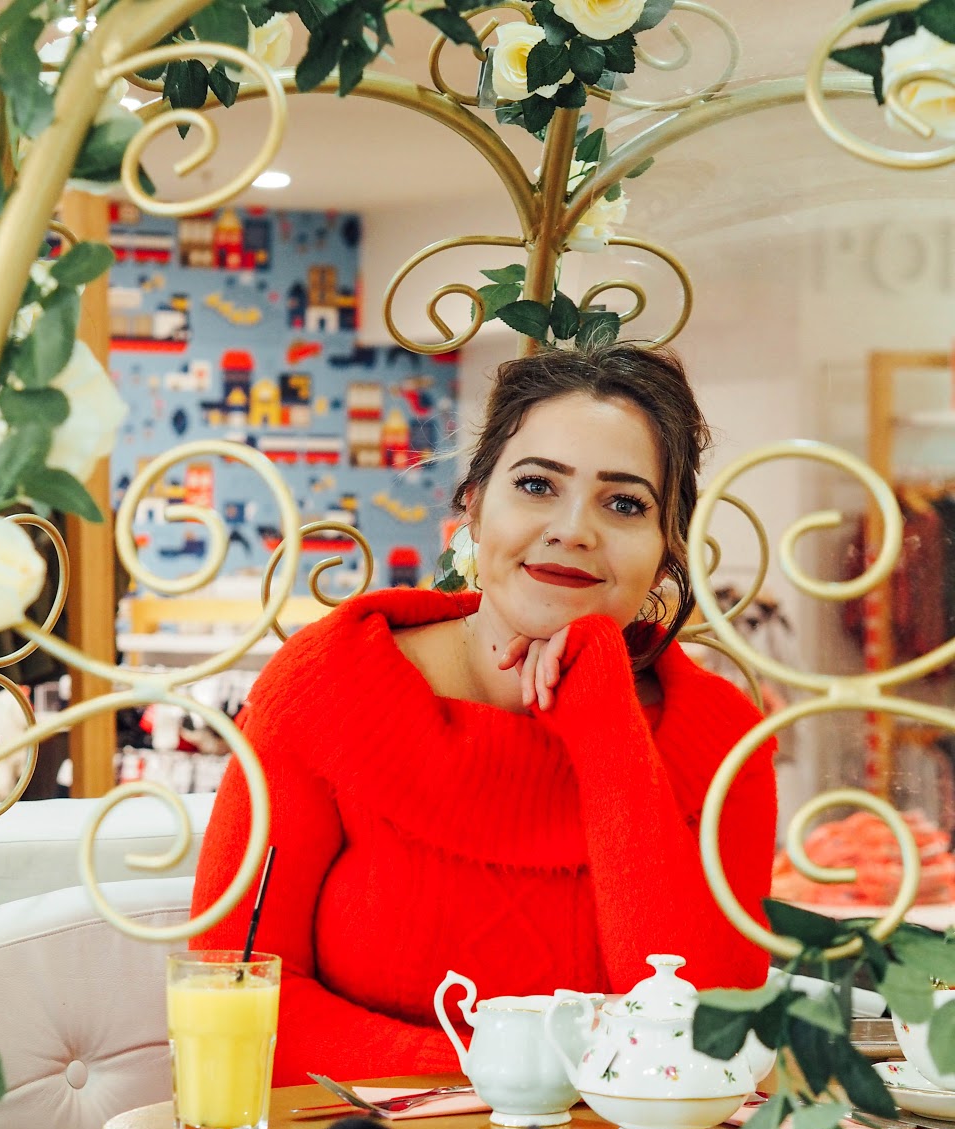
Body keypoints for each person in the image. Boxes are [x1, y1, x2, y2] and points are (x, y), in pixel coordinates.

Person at [190, 344, 777, 1087]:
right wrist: (501, 1078)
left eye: (625, 503)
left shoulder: (724, 741)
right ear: (471, 505)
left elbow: (707, 1047)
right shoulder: (331, 685)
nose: (574, 529)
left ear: (667, 552)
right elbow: (232, 997)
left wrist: (606, 730)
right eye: (536, 485)